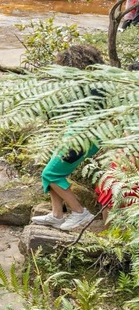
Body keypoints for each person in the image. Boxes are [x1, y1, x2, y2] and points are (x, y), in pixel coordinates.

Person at [31, 43, 104, 231]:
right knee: (53, 170)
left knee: (50, 173)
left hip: (83, 138)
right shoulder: (92, 82)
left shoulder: (92, 87)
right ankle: (56, 215)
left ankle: (80, 213)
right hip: (77, 135)